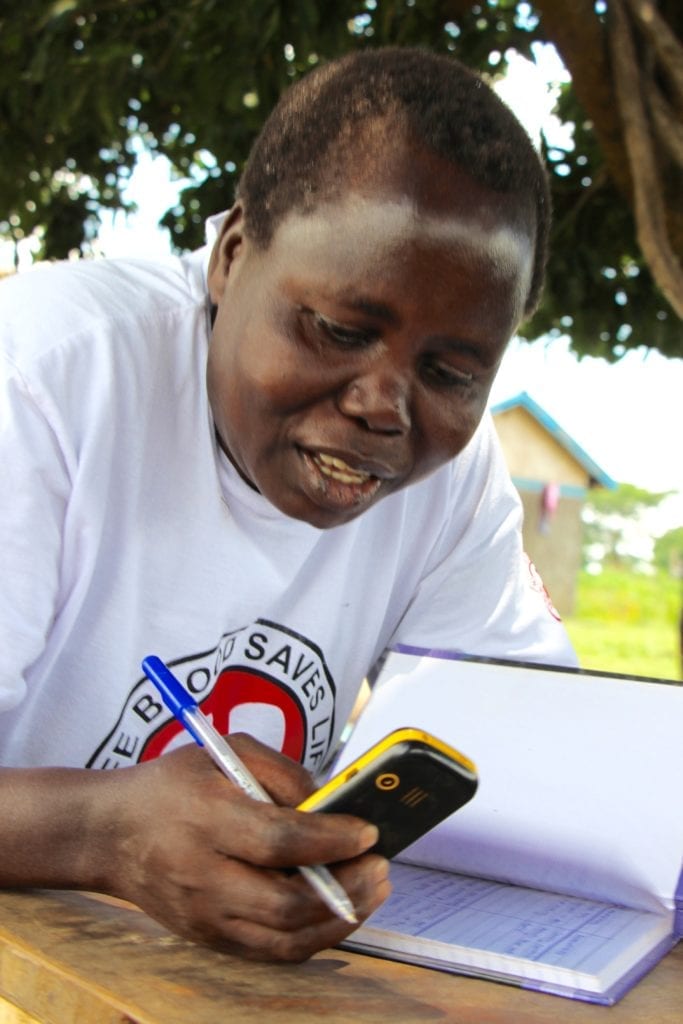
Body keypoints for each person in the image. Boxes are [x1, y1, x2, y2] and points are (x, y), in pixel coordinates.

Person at [0, 46, 577, 962]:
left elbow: (525, 740)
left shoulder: (451, 479)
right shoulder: (42, 379)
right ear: (231, 256)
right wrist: (99, 832)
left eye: (451, 373)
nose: (383, 407)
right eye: (342, 331)